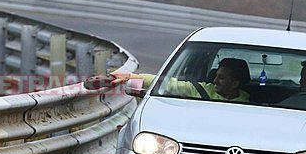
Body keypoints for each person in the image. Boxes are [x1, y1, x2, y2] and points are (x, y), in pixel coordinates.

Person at [90, 57, 250, 102]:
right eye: (215, 75)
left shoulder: (250, 103)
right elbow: (169, 84)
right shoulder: (201, 90)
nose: (215, 80)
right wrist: (131, 77)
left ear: (235, 83)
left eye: (221, 78)